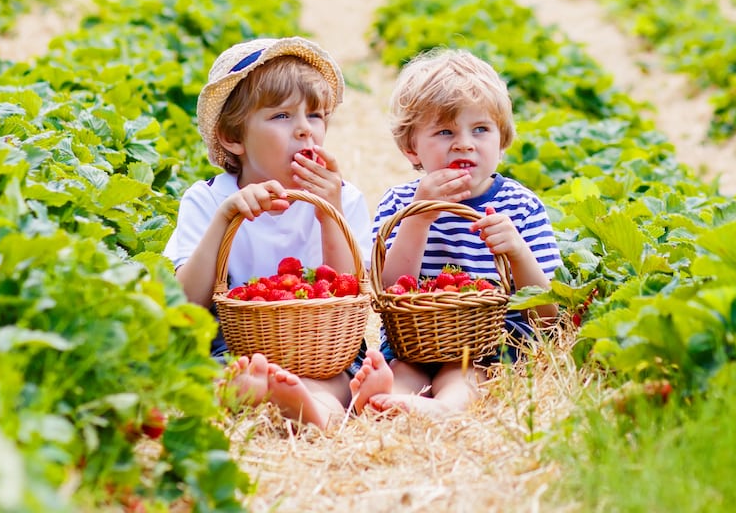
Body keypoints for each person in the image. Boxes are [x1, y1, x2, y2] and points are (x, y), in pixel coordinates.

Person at [164, 36, 372, 429]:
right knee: (206, 378)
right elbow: (187, 303)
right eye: (281, 117)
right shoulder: (208, 200)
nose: (304, 131)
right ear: (233, 137)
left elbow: (350, 290)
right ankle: (275, 394)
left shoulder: (343, 200)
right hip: (236, 346)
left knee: (338, 382)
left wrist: (331, 214)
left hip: (323, 346)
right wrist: (225, 219)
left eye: (315, 116)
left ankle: (312, 409)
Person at [349, 49, 562, 417]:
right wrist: (419, 218)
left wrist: (516, 251)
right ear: (410, 147)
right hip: (414, 340)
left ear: (503, 139)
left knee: (462, 371)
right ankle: (389, 398)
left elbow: (548, 315)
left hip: (486, 342)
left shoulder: (520, 206)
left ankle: (446, 408)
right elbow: (386, 290)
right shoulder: (400, 203)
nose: (464, 143)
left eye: (480, 129)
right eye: (445, 131)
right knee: (404, 369)